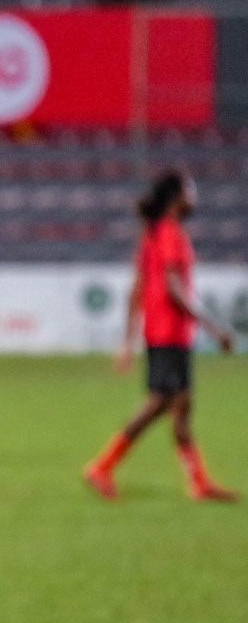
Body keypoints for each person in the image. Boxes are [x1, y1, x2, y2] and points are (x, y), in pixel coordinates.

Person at [84, 170, 236, 501]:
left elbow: (136, 289)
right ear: (175, 198)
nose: (194, 196)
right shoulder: (169, 233)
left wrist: (127, 342)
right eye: (189, 190)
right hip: (167, 332)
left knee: (181, 405)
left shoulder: (152, 234)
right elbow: (173, 288)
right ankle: (101, 467)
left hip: (166, 333)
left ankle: (199, 483)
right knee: (159, 404)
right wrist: (212, 326)